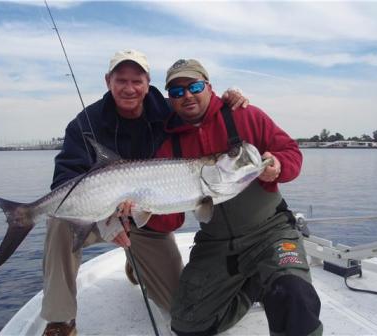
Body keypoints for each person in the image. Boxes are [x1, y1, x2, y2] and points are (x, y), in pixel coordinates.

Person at [40, 50, 248, 336]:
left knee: (181, 310)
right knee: (59, 221)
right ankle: (61, 320)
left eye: (136, 81)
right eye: (120, 80)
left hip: (151, 223)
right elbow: (64, 180)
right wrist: (107, 222)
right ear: (107, 81)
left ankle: (135, 263)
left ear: (147, 82)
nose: (129, 88)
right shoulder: (83, 124)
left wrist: (229, 100)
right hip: (100, 216)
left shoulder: (169, 111)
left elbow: (203, 115)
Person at [154, 59, 323, 336]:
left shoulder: (245, 115)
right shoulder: (167, 146)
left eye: (194, 86)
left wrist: (279, 165)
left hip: (271, 231)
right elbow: (170, 221)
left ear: (209, 87)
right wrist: (143, 207)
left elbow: (291, 151)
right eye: (176, 92)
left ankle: (271, 278)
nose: (187, 95)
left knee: (292, 293)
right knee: (188, 324)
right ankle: (252, 286)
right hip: (216, 243)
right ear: (170, 100)